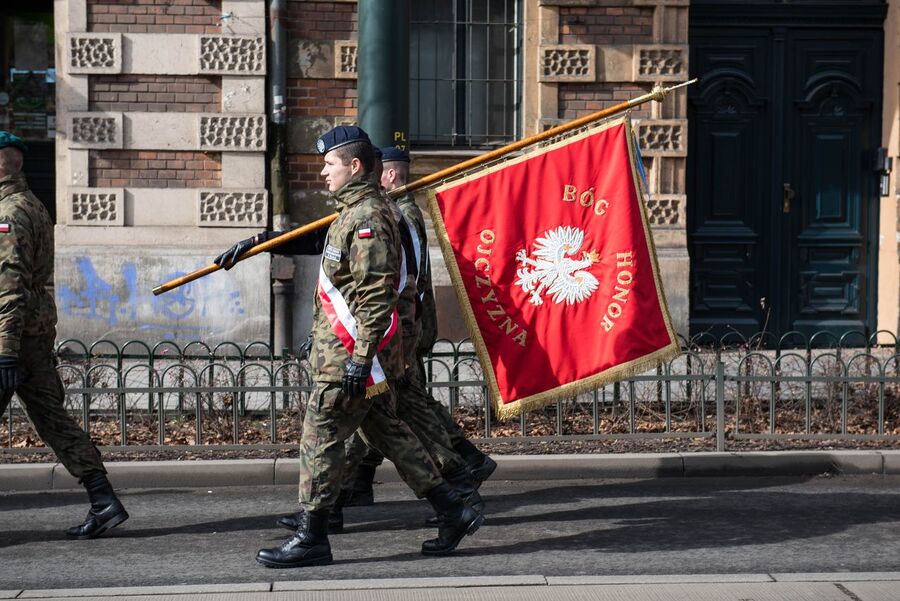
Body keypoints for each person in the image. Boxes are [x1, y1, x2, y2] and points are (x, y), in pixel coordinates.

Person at [217, 125, 483, 568]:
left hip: (352, 359)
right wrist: (259, 245)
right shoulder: (353, 212)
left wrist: (360, 360)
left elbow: (376, 296)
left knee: (319, 437)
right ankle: (454, 509)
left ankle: (312, 536)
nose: (322, 172)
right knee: (389, 433)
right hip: (355, 356)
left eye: (329, 164)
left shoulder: (368, 219)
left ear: (354, 167)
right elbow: (323, 247)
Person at [342, 147, 497, 510]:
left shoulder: (400, 214)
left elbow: (401, 281)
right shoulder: (395, 210)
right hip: (401, 326)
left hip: (401, 327)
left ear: (391, 176)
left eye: (378, 172)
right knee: (396, 405)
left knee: (402, 406)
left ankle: (460, 471)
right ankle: (356, 485)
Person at [0, 131, 128, 539]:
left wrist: (4, 351)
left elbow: (10, 284)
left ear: (4, 162)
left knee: (53, 419)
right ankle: (103, 499)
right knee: (54, 420)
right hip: (32, 335)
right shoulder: (32, 204)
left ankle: (104, 500)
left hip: (11, 337)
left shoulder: (10, 212)